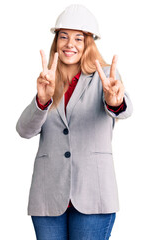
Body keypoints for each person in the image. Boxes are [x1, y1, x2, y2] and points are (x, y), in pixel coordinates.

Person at [16, 4, 133, 240]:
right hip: (48, 195)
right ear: (56, 42)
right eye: (64, 37)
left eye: (79, 38)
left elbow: (123, 109)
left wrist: (114, 100)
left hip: (93, 194)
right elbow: (24, 130)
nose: (70, 44)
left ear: (88, 44)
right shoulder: (48, 80)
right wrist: (42, 100)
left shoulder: (106, 75)